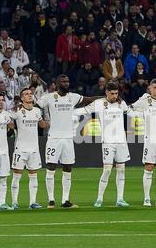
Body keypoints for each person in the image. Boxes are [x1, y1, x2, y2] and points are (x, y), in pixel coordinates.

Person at [37, 74, 99, 209]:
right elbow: (36, 107)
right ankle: (51, 200)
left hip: (68, 138)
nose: (66, 83)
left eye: (68, 81)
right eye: (64, 81)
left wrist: (104, 97)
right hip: (54, 138)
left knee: (68, 168)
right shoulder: (49, 97)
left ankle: (65, 200)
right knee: (51, 167)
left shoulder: (73, 97)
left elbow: (88, 100)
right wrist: (40, 120)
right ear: (57, 83)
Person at [74, 82, 130, 207]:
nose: (114, 96)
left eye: (116, 93)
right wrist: (69, 111)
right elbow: (84, 110)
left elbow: (132, 112)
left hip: (121, 141)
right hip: (108, 142)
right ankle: (99, 199)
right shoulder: (99, 104)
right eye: (112, 93)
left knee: (121, 170)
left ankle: (120, 199)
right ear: (106, 92)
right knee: (107, 170)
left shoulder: (122, 103)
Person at [10, 88, 49, 210]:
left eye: (31, 94)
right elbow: (4, 116)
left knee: (34, 175)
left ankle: (33, 202)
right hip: (20, 148)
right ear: (22, 98)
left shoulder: (37, 111)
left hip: (34, 149)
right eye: (27, 94)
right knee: (17, 176)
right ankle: (14, 202)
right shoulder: (17, 111)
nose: (30, 95)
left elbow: (41, 124)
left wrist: (55, 122)